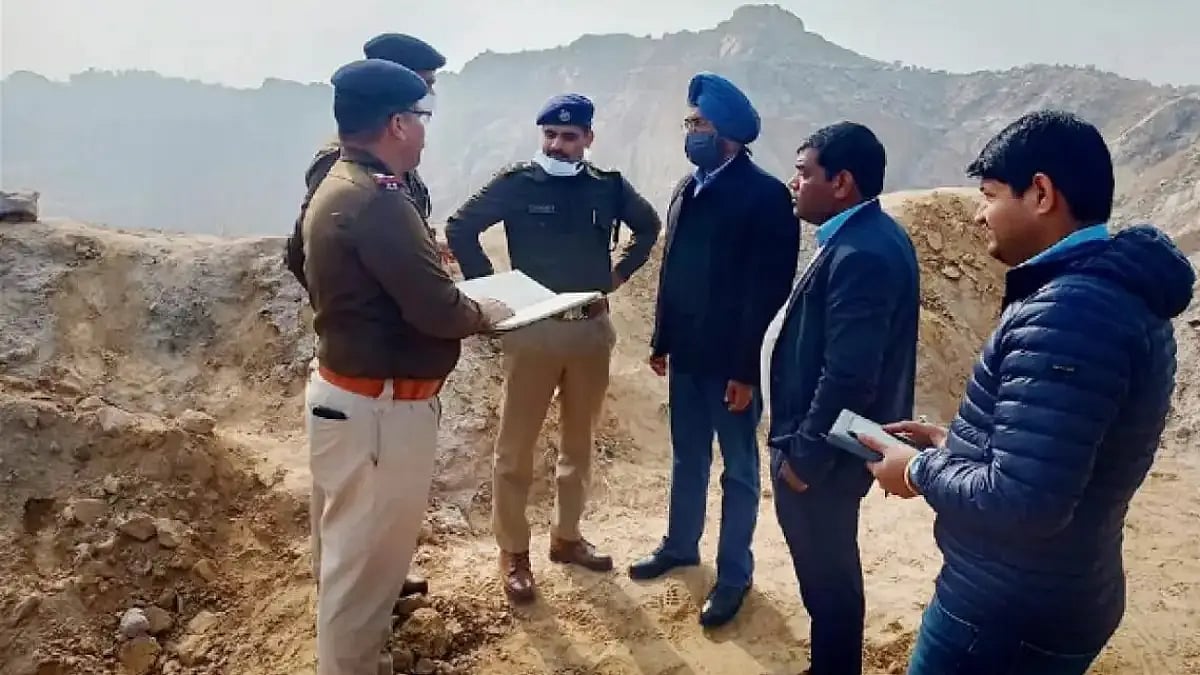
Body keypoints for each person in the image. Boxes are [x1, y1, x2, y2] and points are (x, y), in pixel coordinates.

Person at [858, 110, 1196, 675]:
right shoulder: (1113, 294)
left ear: (1040, 193)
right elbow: (1062, 450)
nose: (977, 213)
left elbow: (1027, 502)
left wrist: (917, 472)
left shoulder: (1071, 313)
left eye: (989, 194)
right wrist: (956, 444)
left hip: (1004, 615)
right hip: (1055, 591)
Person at [301, 57, 512, 674]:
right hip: (380, 414)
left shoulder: (341, 183)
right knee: (363, 577)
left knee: (348, 563)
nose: (424, 130)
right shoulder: (378, 200)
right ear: (396, 123)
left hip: (354, 398)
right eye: (420, 117)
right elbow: (439, 310)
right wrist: (488, 310)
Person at [445, 93, 661, 604]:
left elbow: (648, 227)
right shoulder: (518, 183)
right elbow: (460, 227)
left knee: (579, 444)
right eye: (549, 135)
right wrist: (494, 291)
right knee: (515, 449)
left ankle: (567, 537)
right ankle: (514, 553)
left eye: (568, 136)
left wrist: (619, 274)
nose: (557, 145)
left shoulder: (607, 187)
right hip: (532, 331)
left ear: (588, 138)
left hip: (589, 329)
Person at [629, 72, 799, 628]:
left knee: (740, 471)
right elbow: (672, 269)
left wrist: (748, 371)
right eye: (690, 122)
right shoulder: (688, 186)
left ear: (726, 133)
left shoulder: (766, 195)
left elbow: (768, 292)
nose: (690, 131)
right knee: (687, 457)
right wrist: (662, 340)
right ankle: (681, 545)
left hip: (732, 366)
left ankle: (733, 574)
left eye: (697, 123)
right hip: (687, 357)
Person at [286, 32, 447, 601]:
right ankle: (346, 599)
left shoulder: (387, 170)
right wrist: (355, 309)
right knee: (348, 503)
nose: (428, 105)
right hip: (361, 363)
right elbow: (302, 250)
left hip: (381, 359)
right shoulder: (344, 165)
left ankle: (374, 587)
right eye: (420, 94)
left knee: (366, 505)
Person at [763, 121, 919, 674]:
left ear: (843, 182)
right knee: (829, 575)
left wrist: (804, 457)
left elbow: (850, 374)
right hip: (832, 443)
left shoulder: (862, 254)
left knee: (828, 577)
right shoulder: (862, 236)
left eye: (804, 173)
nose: (794, 182)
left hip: (824, 454)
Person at [285, 32, 448, 293]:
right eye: (425, 84)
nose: (429, 94)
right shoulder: (341, 161)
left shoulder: (392, 153)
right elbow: (300, 252)